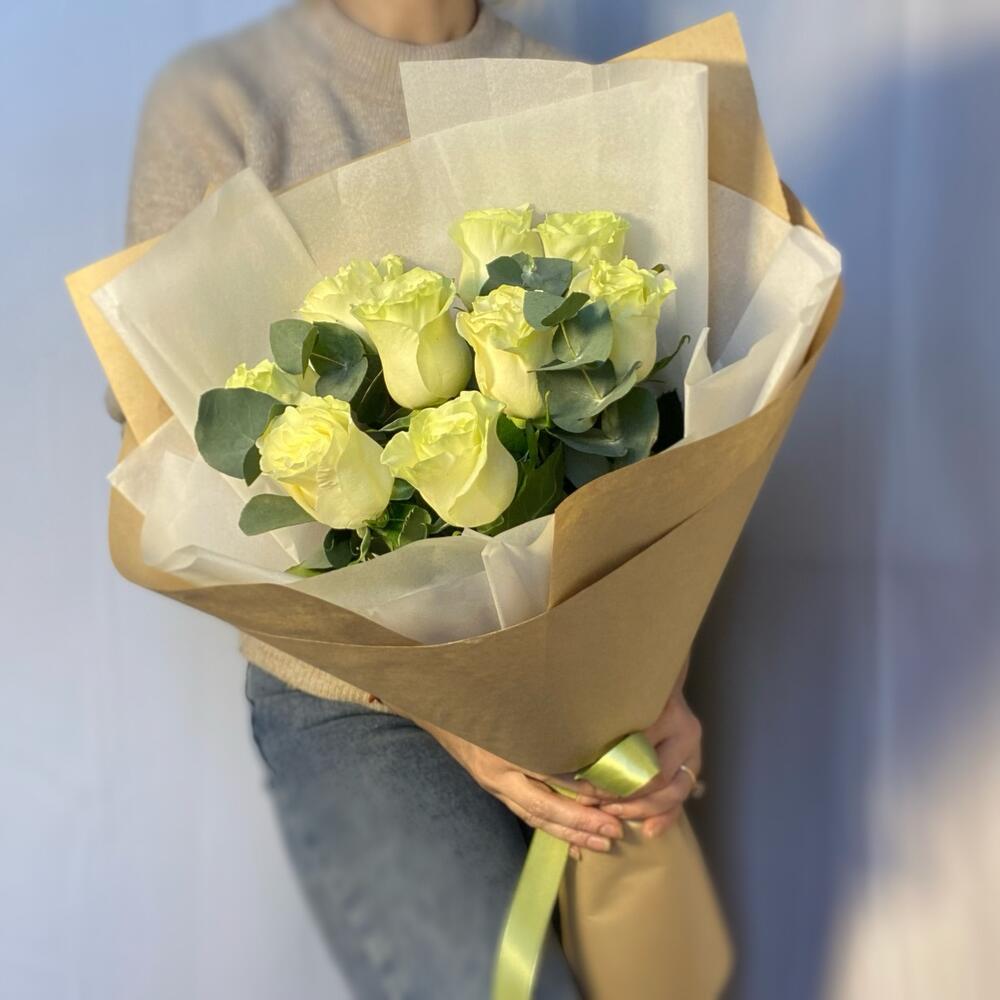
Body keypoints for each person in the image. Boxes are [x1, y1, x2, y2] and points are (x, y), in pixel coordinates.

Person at [123, 2, 705, 995]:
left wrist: (660, 677)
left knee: (658, 976)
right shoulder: (219, 104)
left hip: (576, 685)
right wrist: (451, 709)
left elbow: (653, 449)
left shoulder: (577, 94)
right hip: (358, 704)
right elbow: (152, 511)